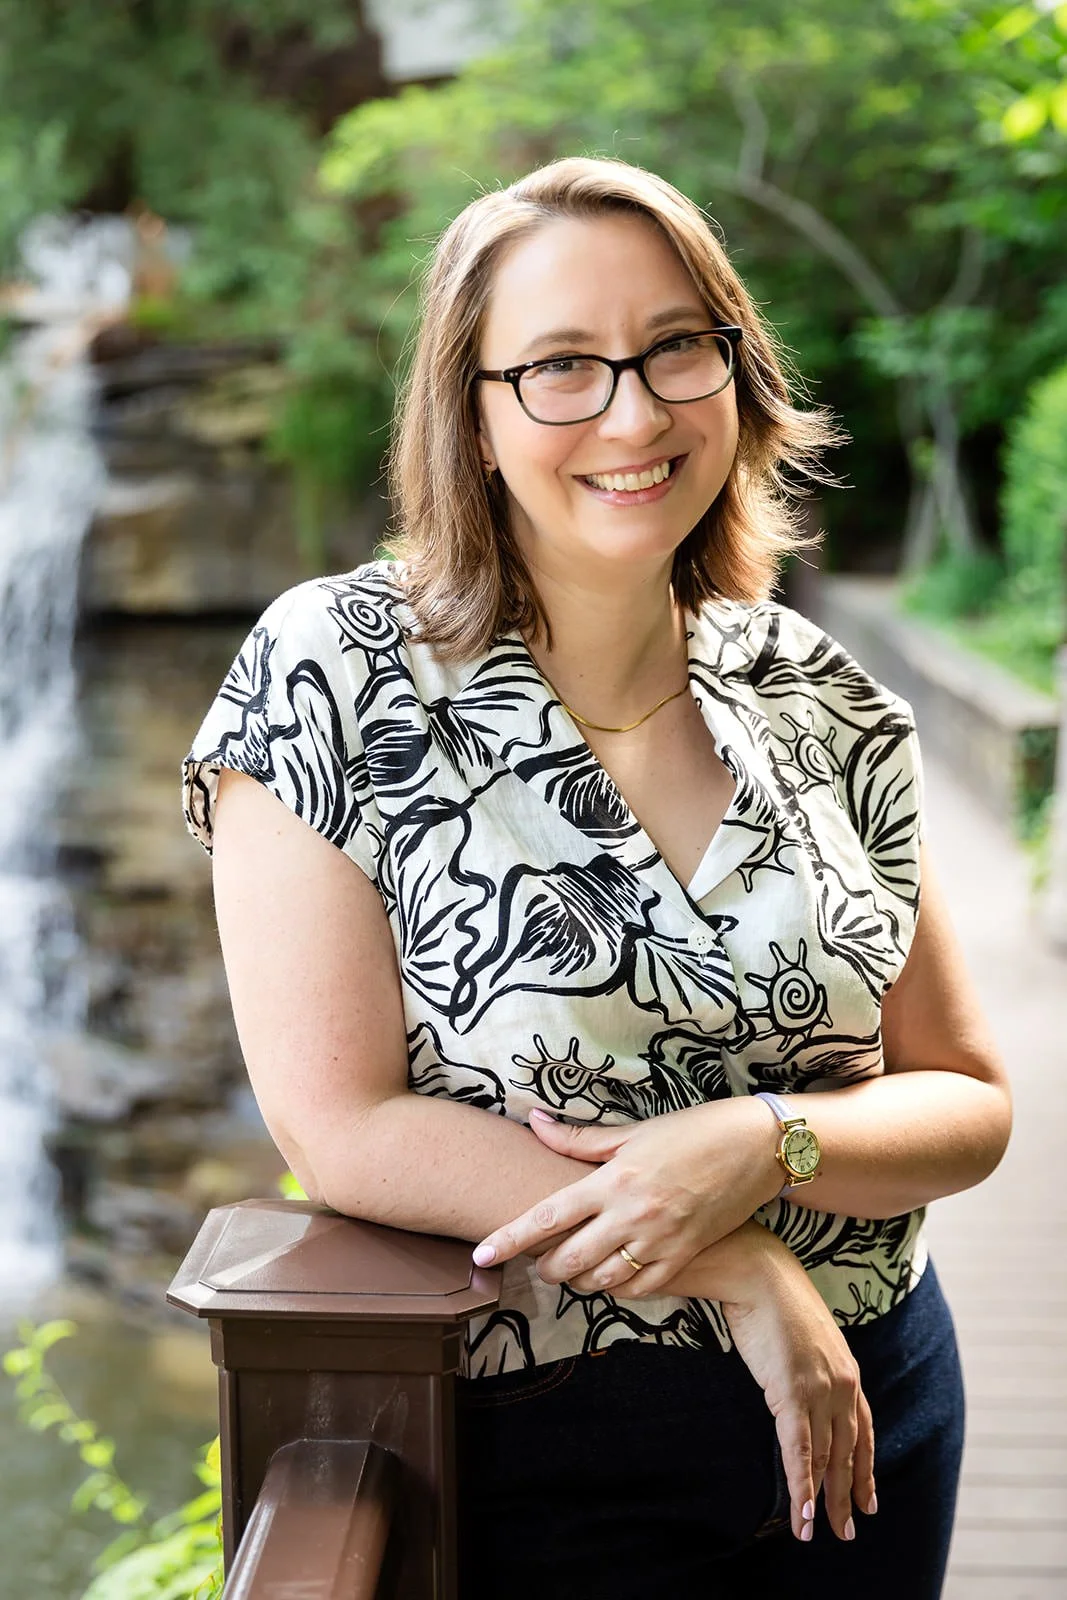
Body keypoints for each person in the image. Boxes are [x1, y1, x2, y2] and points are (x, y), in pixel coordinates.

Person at [182, 156, 1011, 1599]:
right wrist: (737, 1264)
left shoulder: (816, 692)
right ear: (473, 409)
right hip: (545, 1444)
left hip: (874, 1405)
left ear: (735, 371)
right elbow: (341, 1120)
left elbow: (967, 1101)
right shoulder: (336, 672)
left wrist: (765, 1142)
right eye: (560, 365)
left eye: (675, 347)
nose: (632, 412)